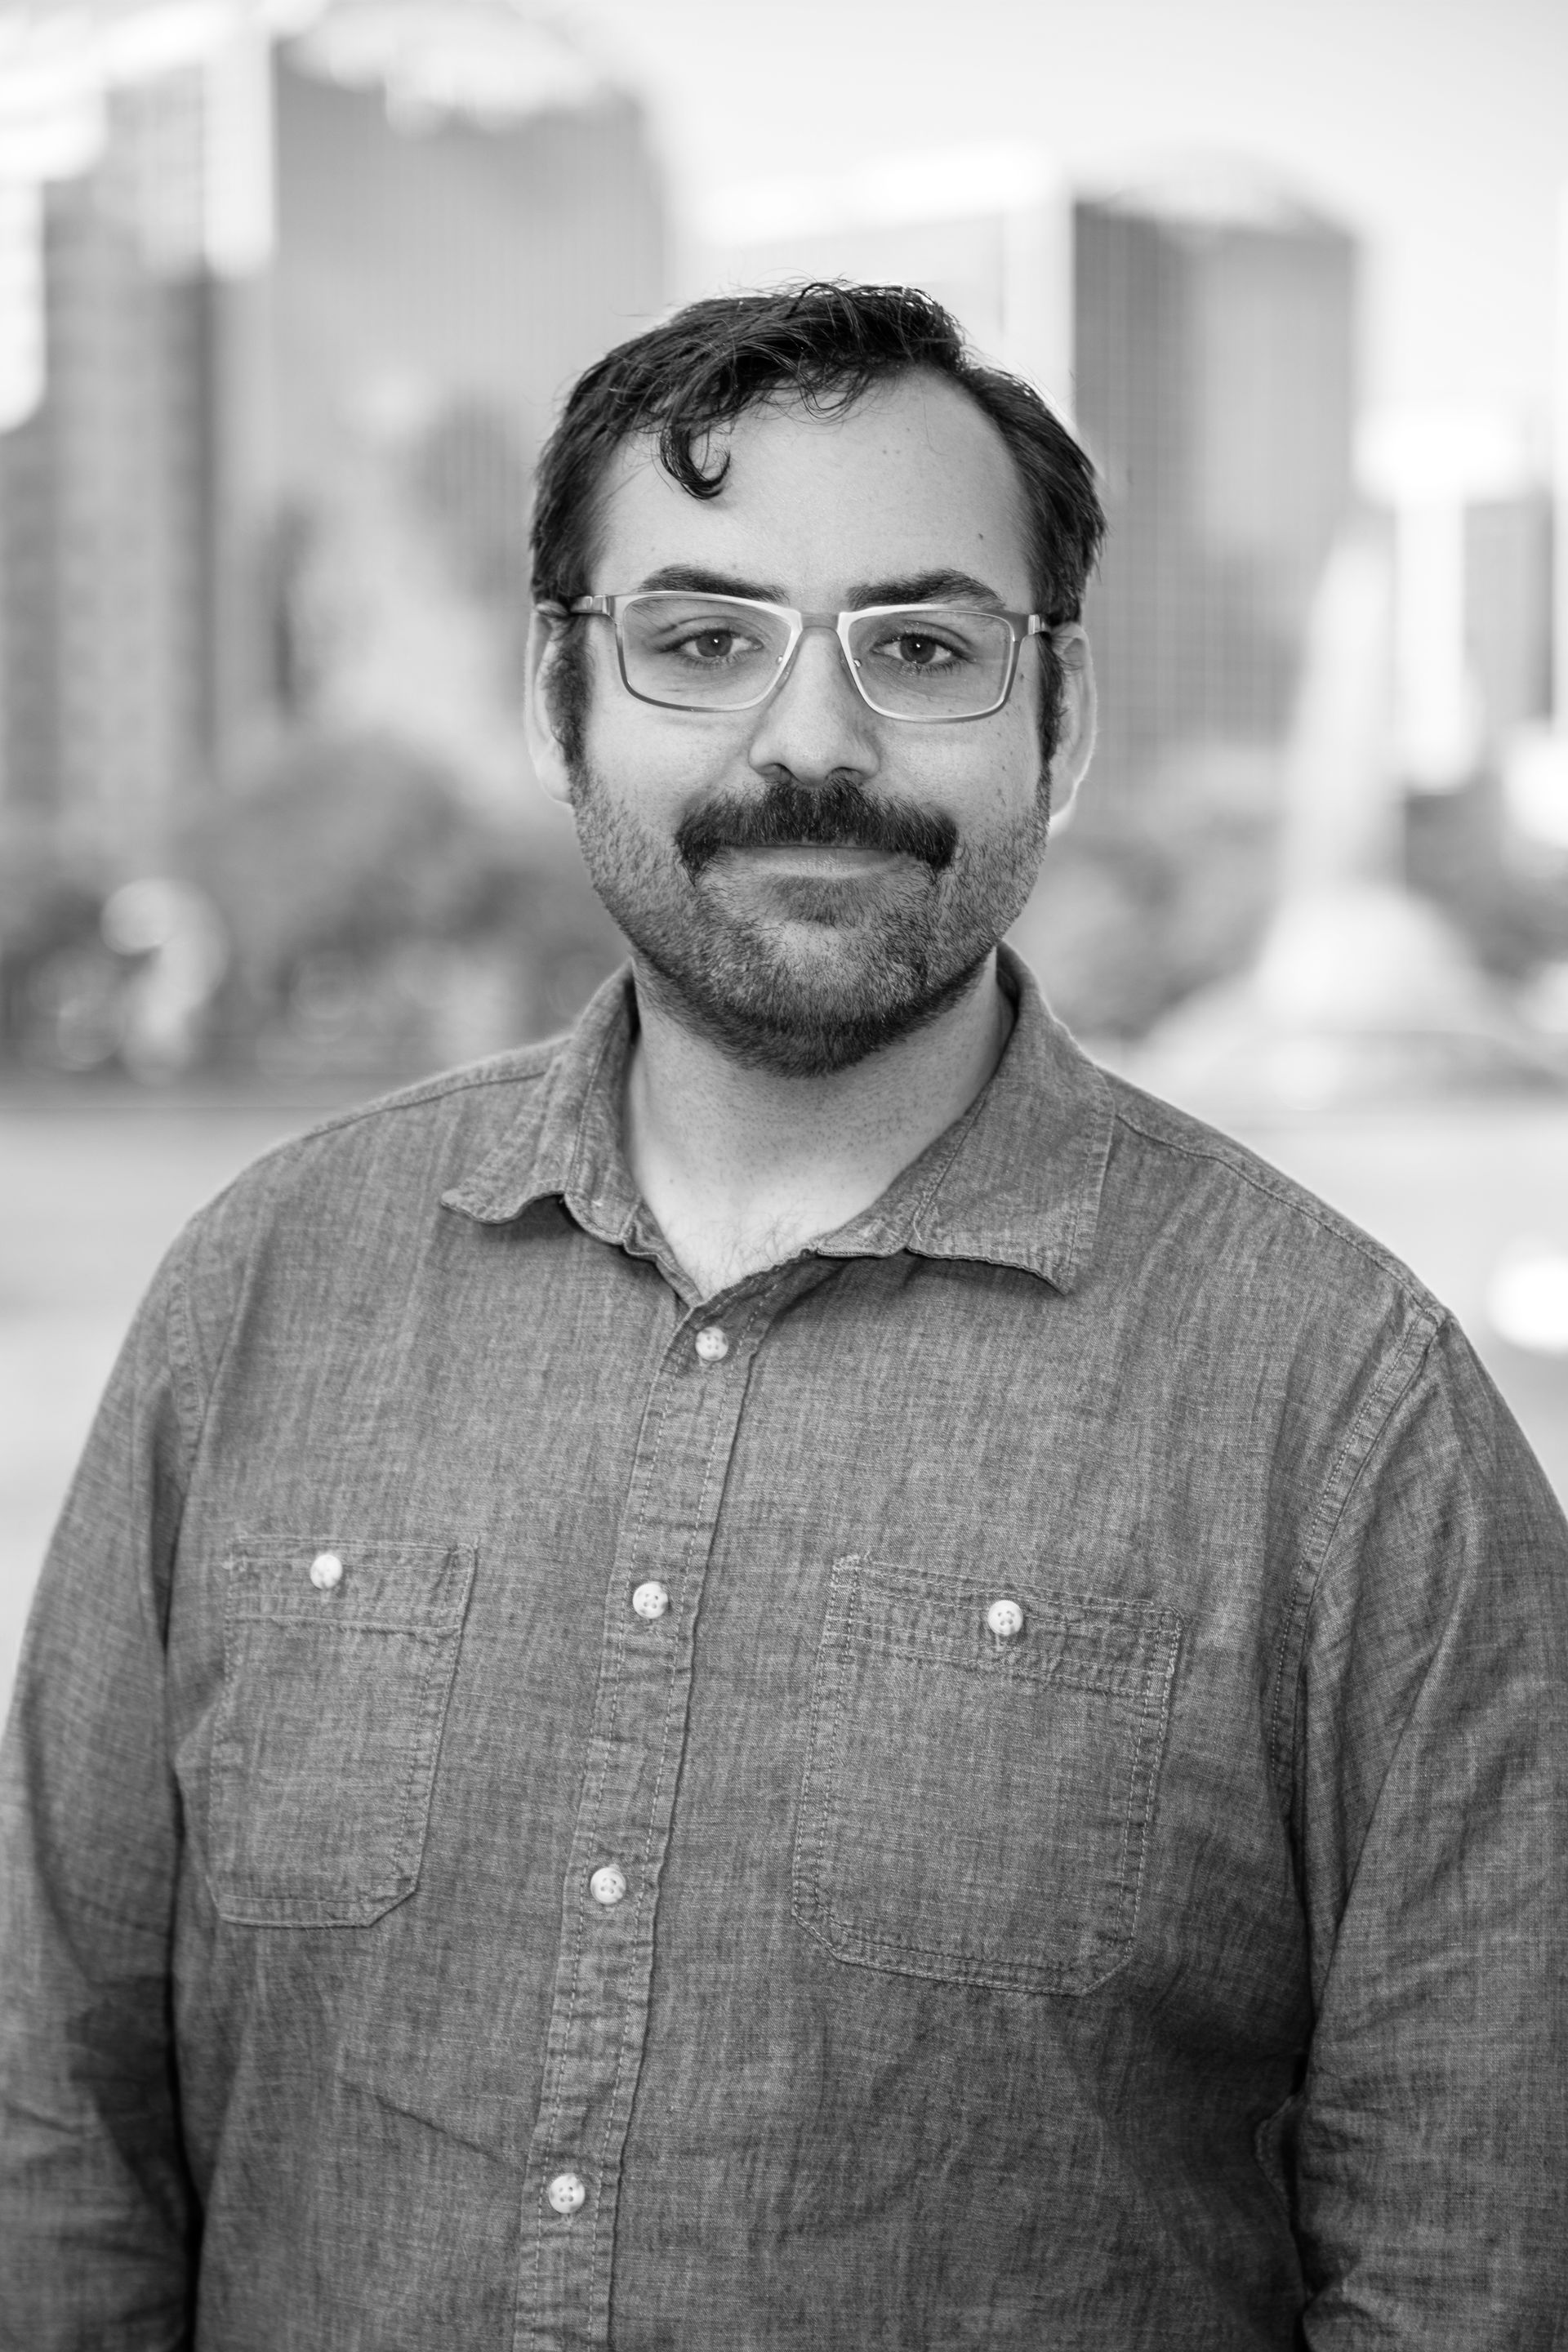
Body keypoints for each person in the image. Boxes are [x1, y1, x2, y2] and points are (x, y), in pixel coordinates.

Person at [2, 283, 1565, 2351]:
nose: (809, 744)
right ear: (564, 708)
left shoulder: (1351, 1414)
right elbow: (54, 2137)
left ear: (1060, 721)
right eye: (702, 639)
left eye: (921, 648)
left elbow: (1475, 2257)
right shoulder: (259, 1297)